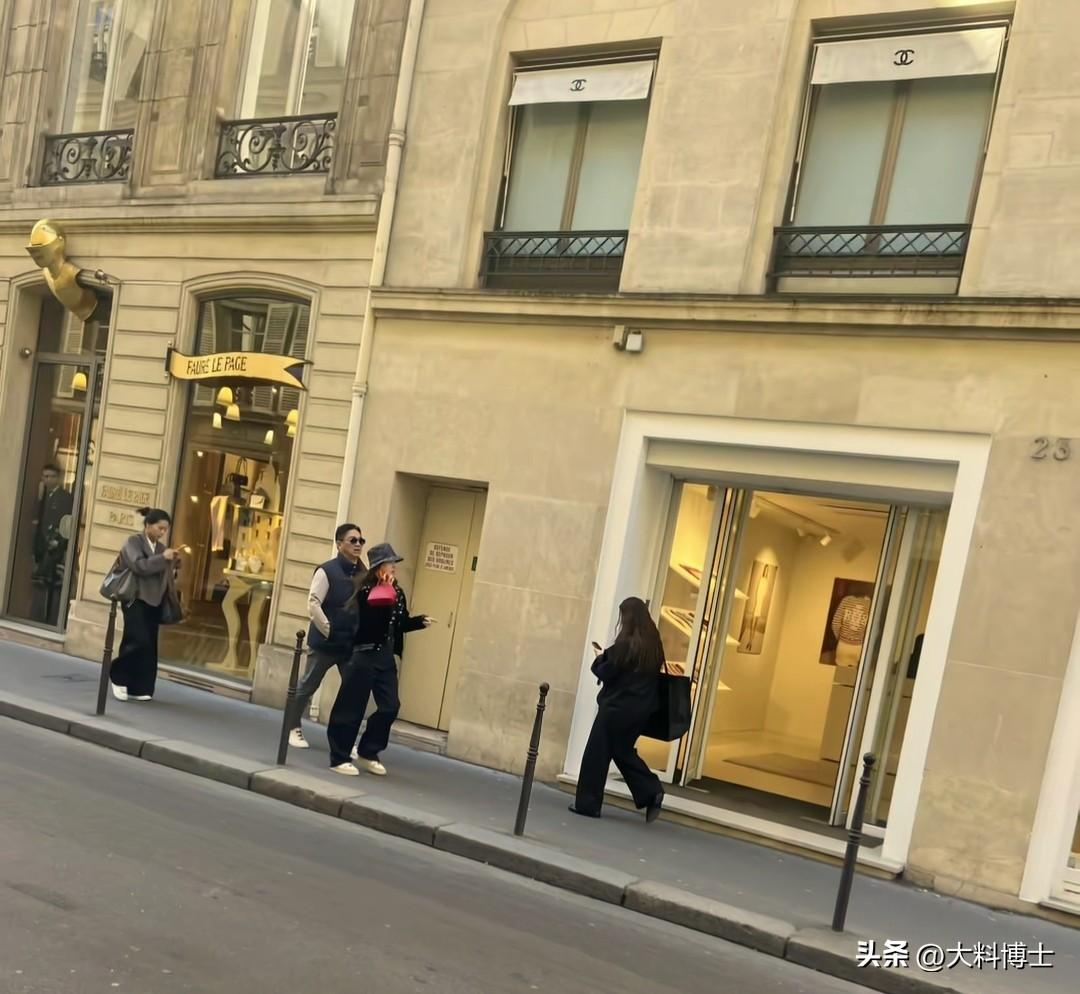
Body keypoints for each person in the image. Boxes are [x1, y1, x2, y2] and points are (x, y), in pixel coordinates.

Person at [326, 543, 435, 776]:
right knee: (351, 707)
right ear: (378, 567)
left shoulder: (397, 592)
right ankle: (339, 756)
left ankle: (368, 751)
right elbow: (365, 626)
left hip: (385, 657)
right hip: (364, 655)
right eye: (390, 563)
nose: (394, 566)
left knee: (390, 706)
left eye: (394, 563)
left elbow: (399, 624)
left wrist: (418, 622)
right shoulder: (365, 591)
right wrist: (383, 594)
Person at [571, 596, 666, 822]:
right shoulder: (654, 646)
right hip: (640, 711)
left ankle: (588, 804)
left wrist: (599, 658)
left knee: (596, 755)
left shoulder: (625, 645)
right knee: (622, 751)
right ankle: (651, 791)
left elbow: (606, 671)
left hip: (616, 709)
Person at [286, 522, 367, 749]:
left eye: (361, 541)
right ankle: (292, 727)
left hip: (350, 645)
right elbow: (313, 604)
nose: (358, 544)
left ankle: (345, 739)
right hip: (325, 643)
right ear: (339, 544)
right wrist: (329, 630)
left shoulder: (363, 573)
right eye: (353, 540)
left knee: (353, 691)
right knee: (308, 686)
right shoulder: (326, 571)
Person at [109, 507, 181, 702]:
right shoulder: (134, 542)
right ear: (148, 525)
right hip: (135, 597)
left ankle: (141, 687)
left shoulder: (160, 548)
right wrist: (163, 558)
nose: (162, 532)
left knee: (149, 646)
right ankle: (118, 678)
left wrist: (173, 563)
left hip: (154, 601)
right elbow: (139, 566)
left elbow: (162, 572)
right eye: (160, 528)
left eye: (165, 529)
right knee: (136, 640)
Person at [31, 463, 74, 625]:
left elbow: (67, 523)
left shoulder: (65, 497)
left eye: (50, 476)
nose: (46, 479)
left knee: (51, 585)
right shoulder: (43, 496)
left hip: (55, 547)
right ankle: (38, 616)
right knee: (39, 583)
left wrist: (59, 542)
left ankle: (49, 619)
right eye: (44, 476)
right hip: (41, 546)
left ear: (58, 478)